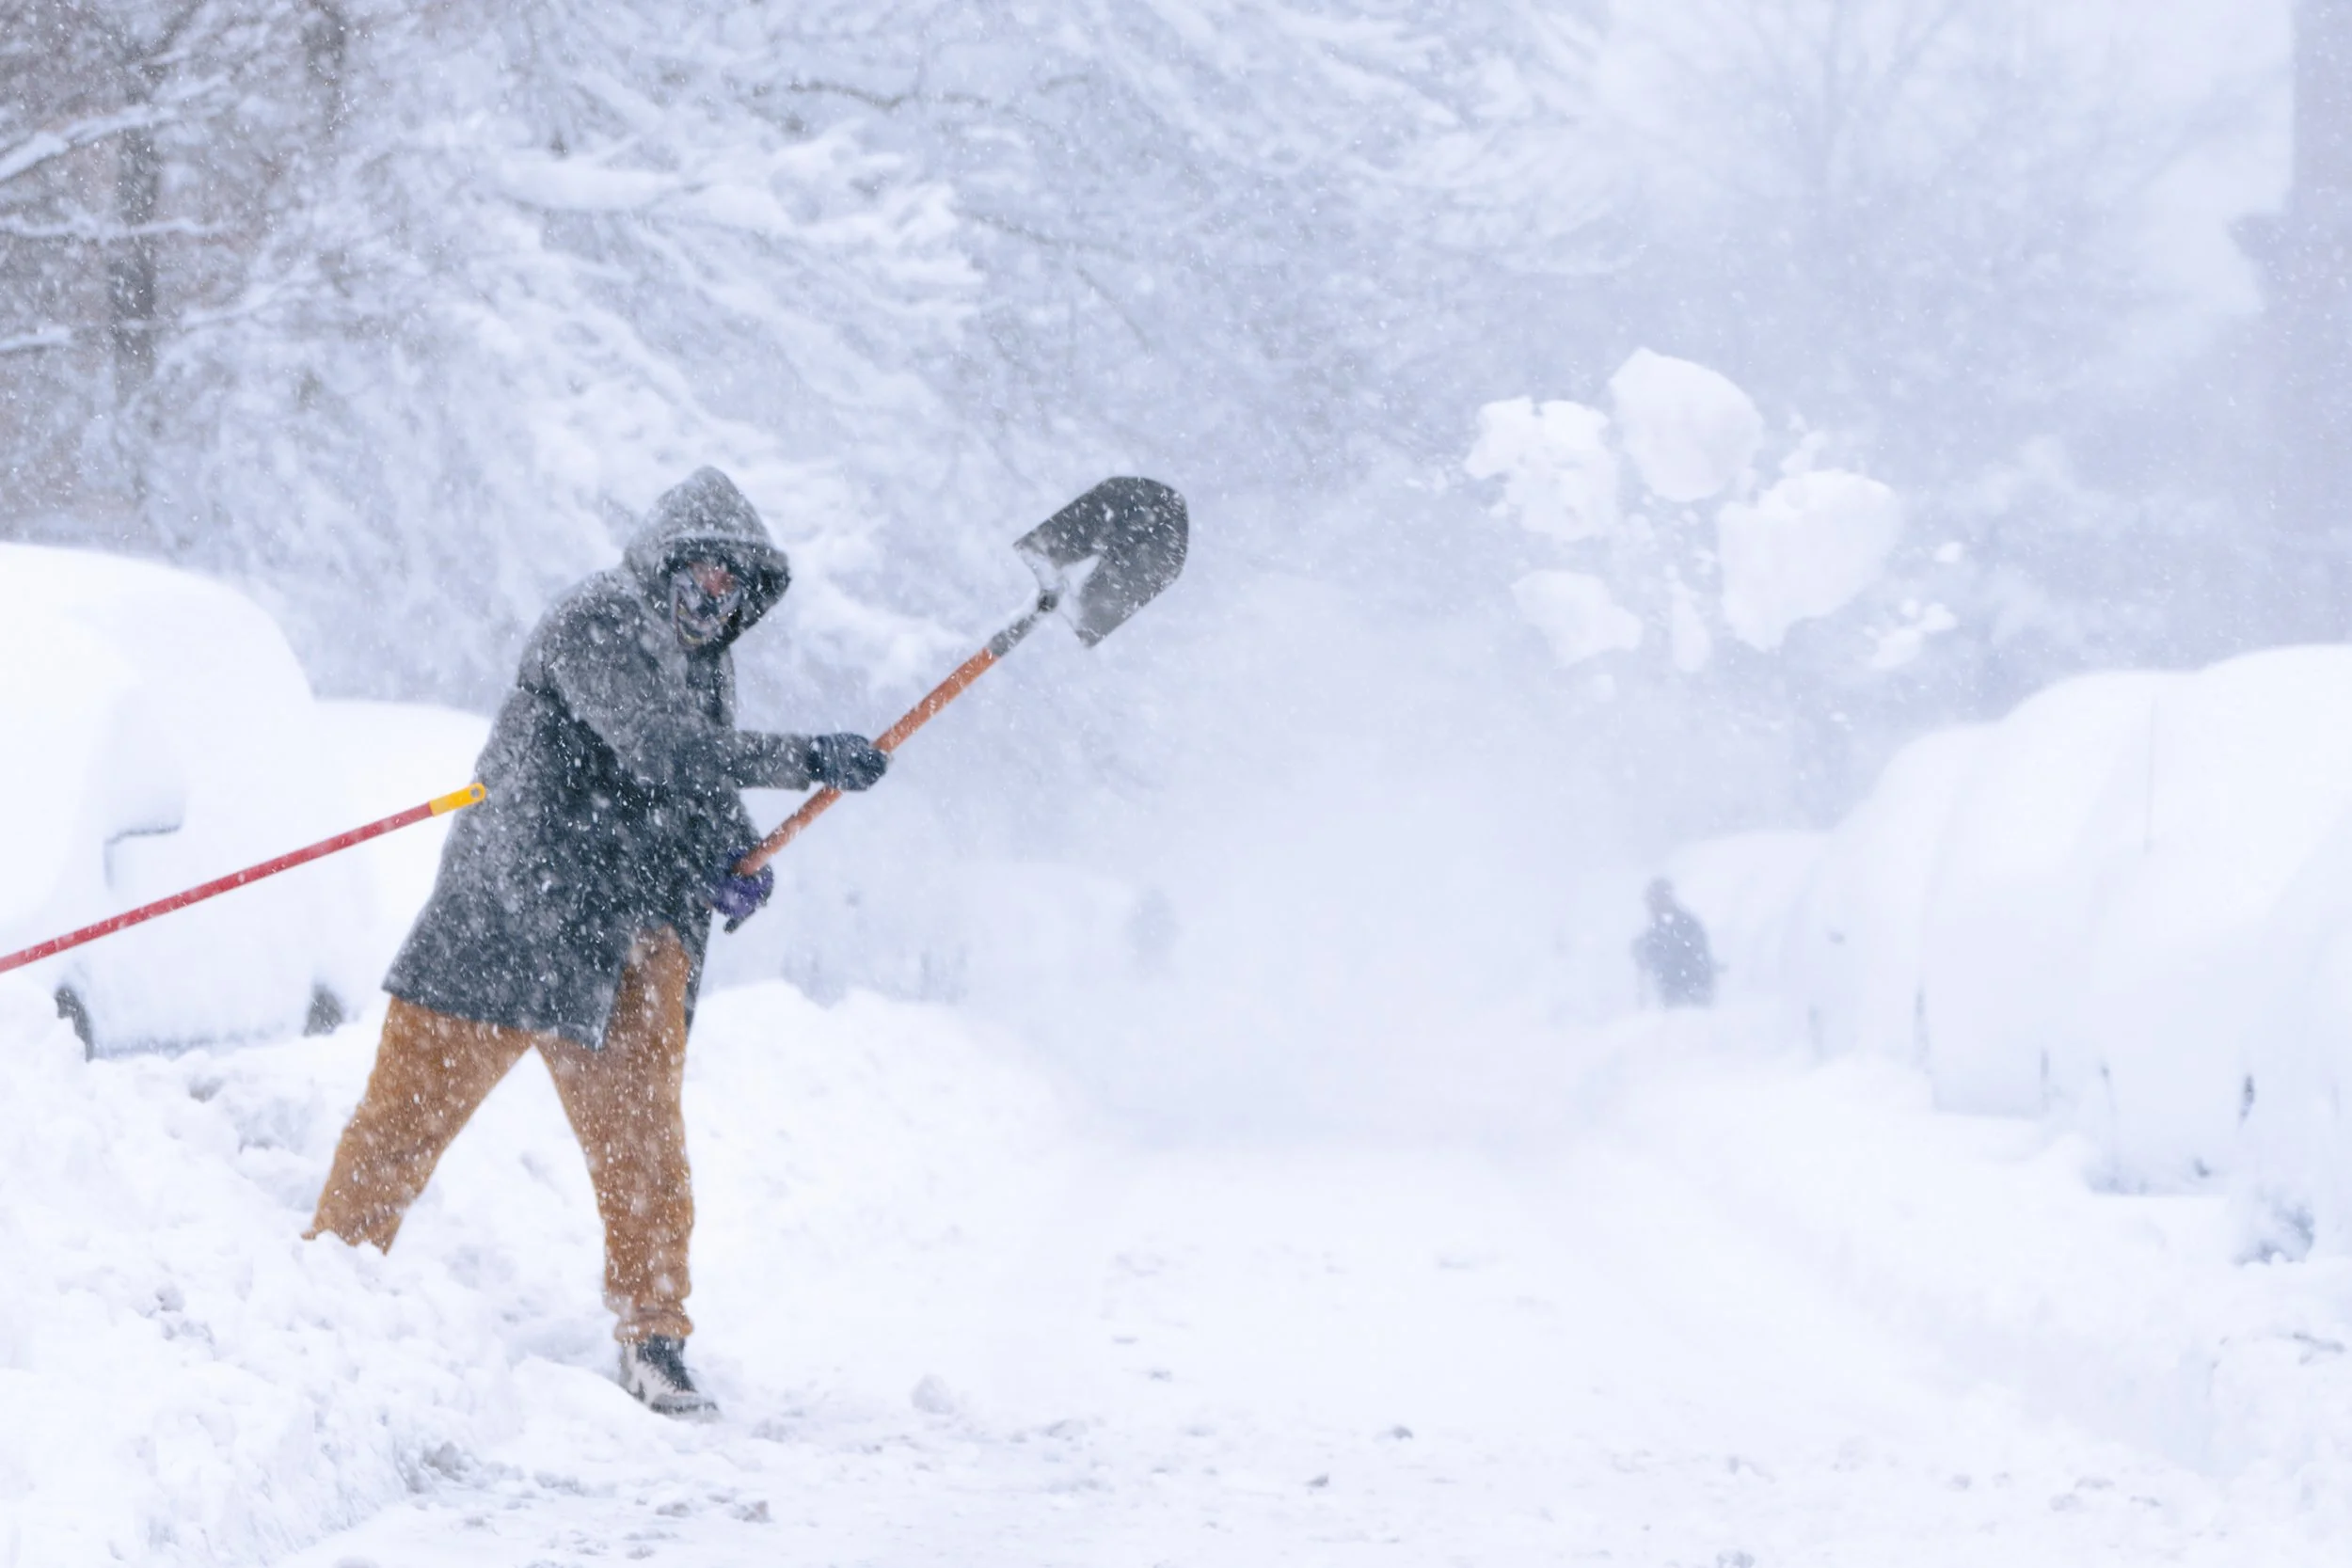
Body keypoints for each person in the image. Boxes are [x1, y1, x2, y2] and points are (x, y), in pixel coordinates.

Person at [307, 467, 888, 1418]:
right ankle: (321, 1302)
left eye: (729, 589)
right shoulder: (599, 620)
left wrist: (734, 850)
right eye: (699, 577)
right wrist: (806, 756)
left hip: (621, 941)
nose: (711, 600)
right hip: (507, 921)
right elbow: (659, 749)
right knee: (400, 1126)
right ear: (664, 566)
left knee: (645, 1150)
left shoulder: (708, 661)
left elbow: (693, 780)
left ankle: (654, 1339)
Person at [1632, 877, 1716, 1009]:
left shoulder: (1685, 925)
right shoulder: (1659, 927)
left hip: (1692, 996)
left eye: (1655, 901)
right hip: (1675, 997)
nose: (1651, 907)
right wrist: (1640, 949)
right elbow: (1652, 950)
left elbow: (1676, 955)